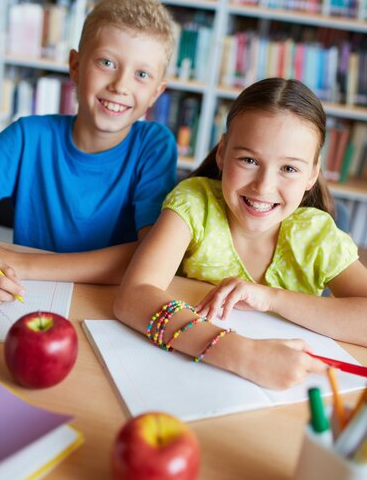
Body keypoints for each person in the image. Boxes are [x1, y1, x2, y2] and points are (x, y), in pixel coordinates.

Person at [114, 78, 367, 390]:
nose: (263, 186)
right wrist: (243, 354)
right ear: (222, 153)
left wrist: (270, 298)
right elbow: (133, 295)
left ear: (312, 175)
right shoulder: (194, 204)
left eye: (289, 169)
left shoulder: (316, 237)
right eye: (249, 160)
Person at [0, 0, 177, 310]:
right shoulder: (28, 138)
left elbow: (151, 256)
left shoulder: (154, 146)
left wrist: (24, 263)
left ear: (156, 93)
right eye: (107, 62)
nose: (121, 86)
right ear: (76, 66)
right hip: (25, 300)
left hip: (107, 308)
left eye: (142, 74)